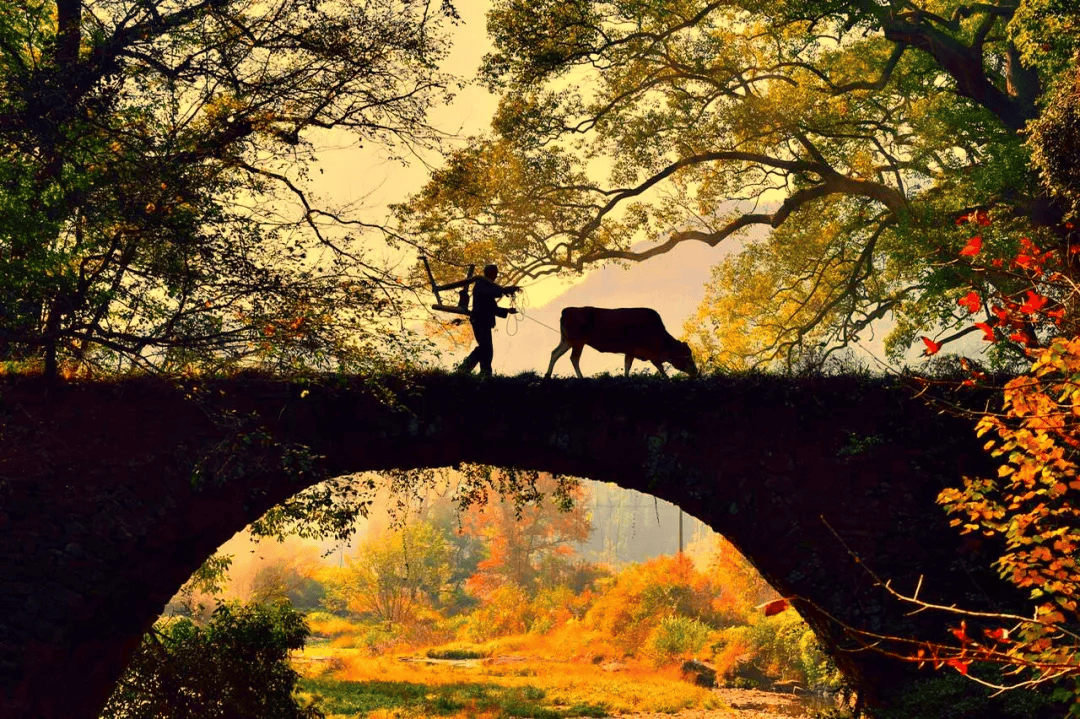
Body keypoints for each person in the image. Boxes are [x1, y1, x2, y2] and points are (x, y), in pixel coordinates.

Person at [458, 264, 519, 376]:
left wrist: (508, 311)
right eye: (495, 273)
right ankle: (467, 369)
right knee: (485, 349)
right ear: (490, 273)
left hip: (482, 322)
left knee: (486, 349)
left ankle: (482, 373)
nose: (496, 276)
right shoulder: (481, 284)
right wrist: (505, 291)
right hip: (480, 321)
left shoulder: (484, 285)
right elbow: (493, 293)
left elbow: (492, 307)